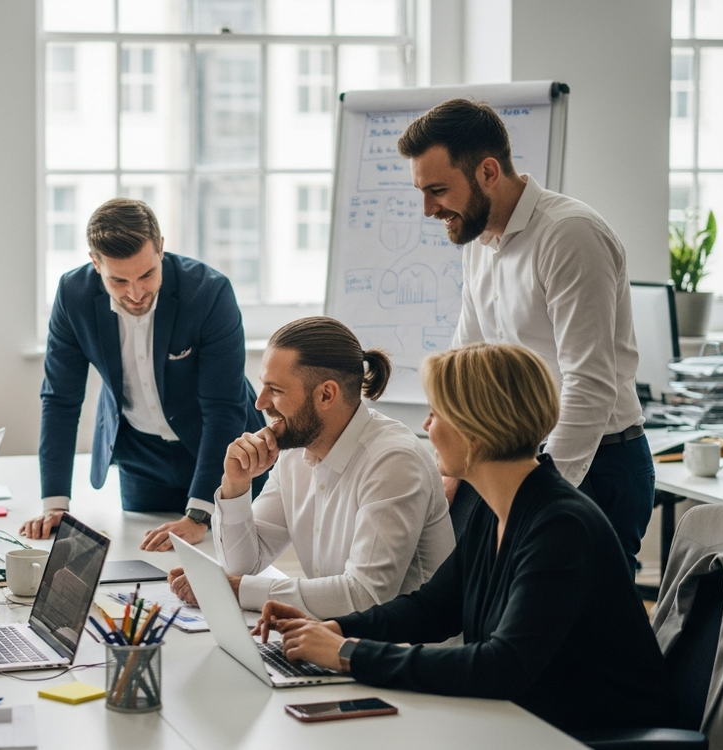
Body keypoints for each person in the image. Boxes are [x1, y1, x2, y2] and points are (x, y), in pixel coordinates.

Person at [254, 343, 675, 734]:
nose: (426, 425)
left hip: (592, 734)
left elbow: (502, 665)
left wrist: (348, 653)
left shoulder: (560, 526)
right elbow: (432, 609)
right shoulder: (497, 509)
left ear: (476, 431)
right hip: (530, 719)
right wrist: (331, 628)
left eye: (437, 413)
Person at [397, 98, 652, 573]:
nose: (429, 209)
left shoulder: (568, 236)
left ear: (488, 172)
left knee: (585, 635)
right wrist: (448, 466)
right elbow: (464, 365)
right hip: (517, 459)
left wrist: (540, 495)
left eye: (437, 190)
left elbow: (589, 384)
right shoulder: (478, 240)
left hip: (595, 459)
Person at [167, 317, 454, 619]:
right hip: (338, 639)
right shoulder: (295, 454)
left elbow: (366, 596)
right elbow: (243, 566)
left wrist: (235, 589)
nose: (260, 403)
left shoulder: (393, 461)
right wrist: (235, 485)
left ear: (326, 394)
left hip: (405, 653)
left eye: (275, 390)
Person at [23, 198, 265, 551]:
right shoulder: (73, 295)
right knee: (144, 559)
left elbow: (223, 408)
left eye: (147, 275)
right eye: (118, 280)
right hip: (140, 455)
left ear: (161, 249)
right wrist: (55, 504)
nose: (135, 293)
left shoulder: (209, 293)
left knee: (225, 560)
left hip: (218, 451)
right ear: (95, 263)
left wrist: (199, 514)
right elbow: (60, 400)